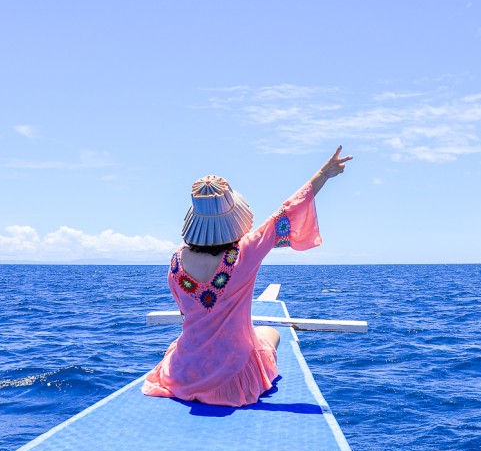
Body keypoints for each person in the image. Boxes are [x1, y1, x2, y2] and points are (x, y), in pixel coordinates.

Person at [142, 146, 352, 407]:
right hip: (230, 379)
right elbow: (286, 212)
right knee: (270, 333)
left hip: (184, 373)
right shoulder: (245, 252)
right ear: (233, 217)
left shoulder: (176, 261)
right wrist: (323, 174)